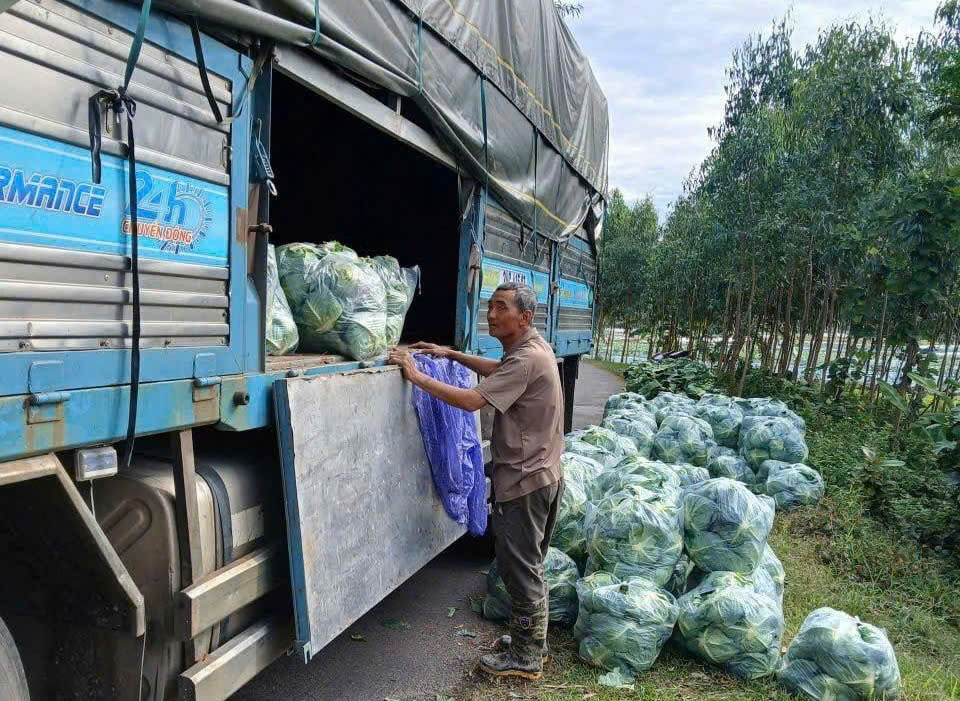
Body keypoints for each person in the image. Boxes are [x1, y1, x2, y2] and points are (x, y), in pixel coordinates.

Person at [388, 281, 565, 681]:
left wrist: (415, 375)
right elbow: (498, 371)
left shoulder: (524, 360)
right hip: (542, 475)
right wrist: (450, 354)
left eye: (501, 307)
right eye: (490, 306)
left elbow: (471, 400)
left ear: (525, 317)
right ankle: (531, 643)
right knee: (528, 566)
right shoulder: (532, 351)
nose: (491, 314)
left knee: (521, 570)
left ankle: (526, 657)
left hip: (525, 482)